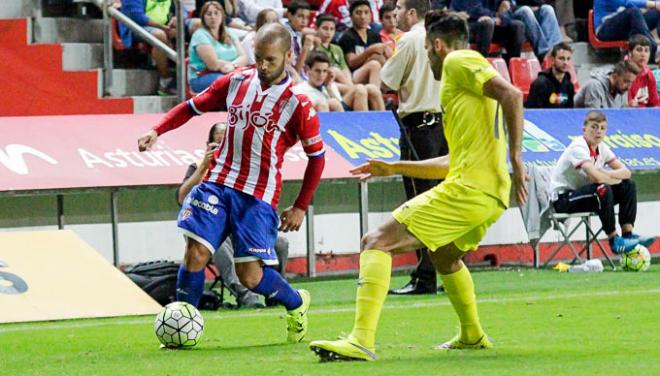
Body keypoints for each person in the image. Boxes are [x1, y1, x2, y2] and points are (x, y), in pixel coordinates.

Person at [310, 10, 527, 361]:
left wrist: (517, 159)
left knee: (375, 241)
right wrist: (392, 167)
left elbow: (513, 95)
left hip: (470, 189)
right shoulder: (463, 92)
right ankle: (472, 335)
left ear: (437, 45)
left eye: (427, 50)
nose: (427, 56)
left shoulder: (458, 60)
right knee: (444, 255)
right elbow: (451, 162)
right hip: (487, 191)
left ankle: (361, 340)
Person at [138, 23, 326, 344]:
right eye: (259, 58)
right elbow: (192, 107)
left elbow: (317, 157)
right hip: (218, 182)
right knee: (196, 251)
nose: (263, 66)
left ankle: (295, 302)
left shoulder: (299, 104)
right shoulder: (238, 81)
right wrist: (158, 130)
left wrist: (300, 206)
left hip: (258, 195)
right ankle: (184, 328)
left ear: (288, 56)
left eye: (270, 59)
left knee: (250, 277)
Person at [379, 0, 445, 296]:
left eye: (400, 9)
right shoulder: (441, 35)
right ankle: (445, 268)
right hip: (445, 125)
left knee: (419, 202)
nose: (395, 15)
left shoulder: (410, 39)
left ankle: (425, 276)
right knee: (441, 200)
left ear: (411, 13)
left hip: (419, 127)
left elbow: (385, 82)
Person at [175, 122, 263, 309]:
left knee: (279, 243)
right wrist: (205, 165)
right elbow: (182, 197)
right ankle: (246, 296)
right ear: (208, 144)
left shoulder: (240, 168)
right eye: (218, 143)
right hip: (207, 226)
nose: (222, 148)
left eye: (227, 143)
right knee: (220, 246)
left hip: (237, 225)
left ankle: (273, 295)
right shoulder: (198, 166)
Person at [549, 110, 655, 255]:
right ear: (584, 129)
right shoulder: (578, 147)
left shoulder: (602, 148)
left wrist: (606, 174)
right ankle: (614, 240)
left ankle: (627, 235)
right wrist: (609, 177)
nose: (598, 132)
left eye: (602, 128)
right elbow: (596, 178)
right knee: (602, 188)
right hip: (563, 199)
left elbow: (626, 172)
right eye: (594, 127)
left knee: (628, 185)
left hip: (588, 194)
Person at [187, 1, 249, 93]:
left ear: (222, 16)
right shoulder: (199, 35)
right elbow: (213, 65)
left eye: (216, 13)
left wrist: (232, 65)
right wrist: (231, 66)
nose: (213, 17)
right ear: (203, 17)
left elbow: (244, 57)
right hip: (202, 77)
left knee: (251, 79)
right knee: (231, 82)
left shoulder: (229, 32)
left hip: (230, 72)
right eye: (209, 14)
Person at [119, 0, 177, 95]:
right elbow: (137, 17)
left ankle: (192, 79)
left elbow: (179, 8)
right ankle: (165, 82)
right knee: (160, 35)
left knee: (194, 25)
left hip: (164, 26)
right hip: (136, 27)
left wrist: (176, 18)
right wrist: (162, 27)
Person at [338, 0, 392, 86]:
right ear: (351, 16)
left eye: (366, 12)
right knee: (375, 63)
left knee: (384, 56)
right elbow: (351, 63)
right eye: (358, 13)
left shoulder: (374, 35)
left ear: (371, 15)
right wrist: (370, 51)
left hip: (374, 71)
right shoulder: (347, 36)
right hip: (353, 75)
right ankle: (376, 93)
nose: (363, 17)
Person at [450, 0, 525, 62]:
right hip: (468, 25)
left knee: (518, 25)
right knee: (487, 23)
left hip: (492, 25)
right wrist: (495, 16)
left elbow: (507, 12)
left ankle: (512, 66)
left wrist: (499, 18)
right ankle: (481, 65)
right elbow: (475, 10)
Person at [594, 0, 659, 63]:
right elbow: (626, 2)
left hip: (624, 26)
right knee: (633, 11)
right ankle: (654, 50)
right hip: (605, 29)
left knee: (657, 11)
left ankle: (653, 48)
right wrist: (654, 4)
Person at [525, 42, 575, 108]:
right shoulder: (540, 84)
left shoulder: (569, 85)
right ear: (552, 60)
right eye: (561, 58)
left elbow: (570, 111)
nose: (565, 63)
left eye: (568, 59)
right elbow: (533, 111)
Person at [574, 61, 640, 108]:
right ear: (615, 77)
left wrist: (627, 110)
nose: (629, 87)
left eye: (631, 82)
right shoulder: (595, 85)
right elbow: (594, 118)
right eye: (626, 81)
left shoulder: (621, 90)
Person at [626, 35, 659, 108]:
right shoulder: (625, 74)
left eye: (646, 50)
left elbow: (655, 103)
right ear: (630, 53)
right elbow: (625, 105)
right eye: (639, 50)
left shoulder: (649, 74)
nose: (643, 54)